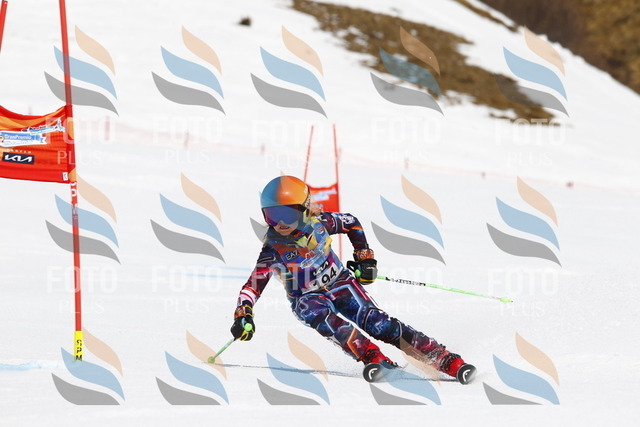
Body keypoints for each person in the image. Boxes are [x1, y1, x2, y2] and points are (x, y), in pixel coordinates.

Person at [230, 175, 476, 384]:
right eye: (272, 216)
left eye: (287, 214)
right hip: (307, 297)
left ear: (304, 209)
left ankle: (441, 357)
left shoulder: (321, 224)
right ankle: (373, 358)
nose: (281, 223)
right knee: (324, 318)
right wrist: (244, 315)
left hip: (340, 282)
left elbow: (351, 223)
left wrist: (364, 258)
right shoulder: (273, 250)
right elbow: (252, 286)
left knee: (378, 323)